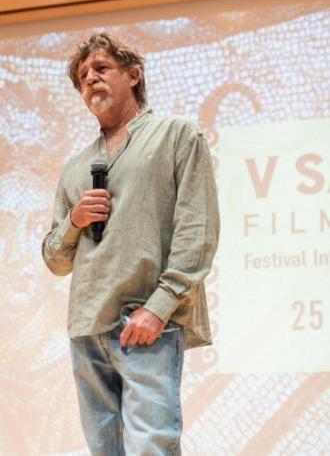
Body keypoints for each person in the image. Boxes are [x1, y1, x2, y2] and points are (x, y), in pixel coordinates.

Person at [42, 32, 219, 455]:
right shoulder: (77, 166)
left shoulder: (176, 135)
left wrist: (159, 308)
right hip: (86, 328)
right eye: (83, 76)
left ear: (133, 75)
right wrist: (74, 221)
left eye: (101, 68)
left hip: (146, 322)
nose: (91, 79)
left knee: (151, 447)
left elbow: (198, 230)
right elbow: (55, 259)